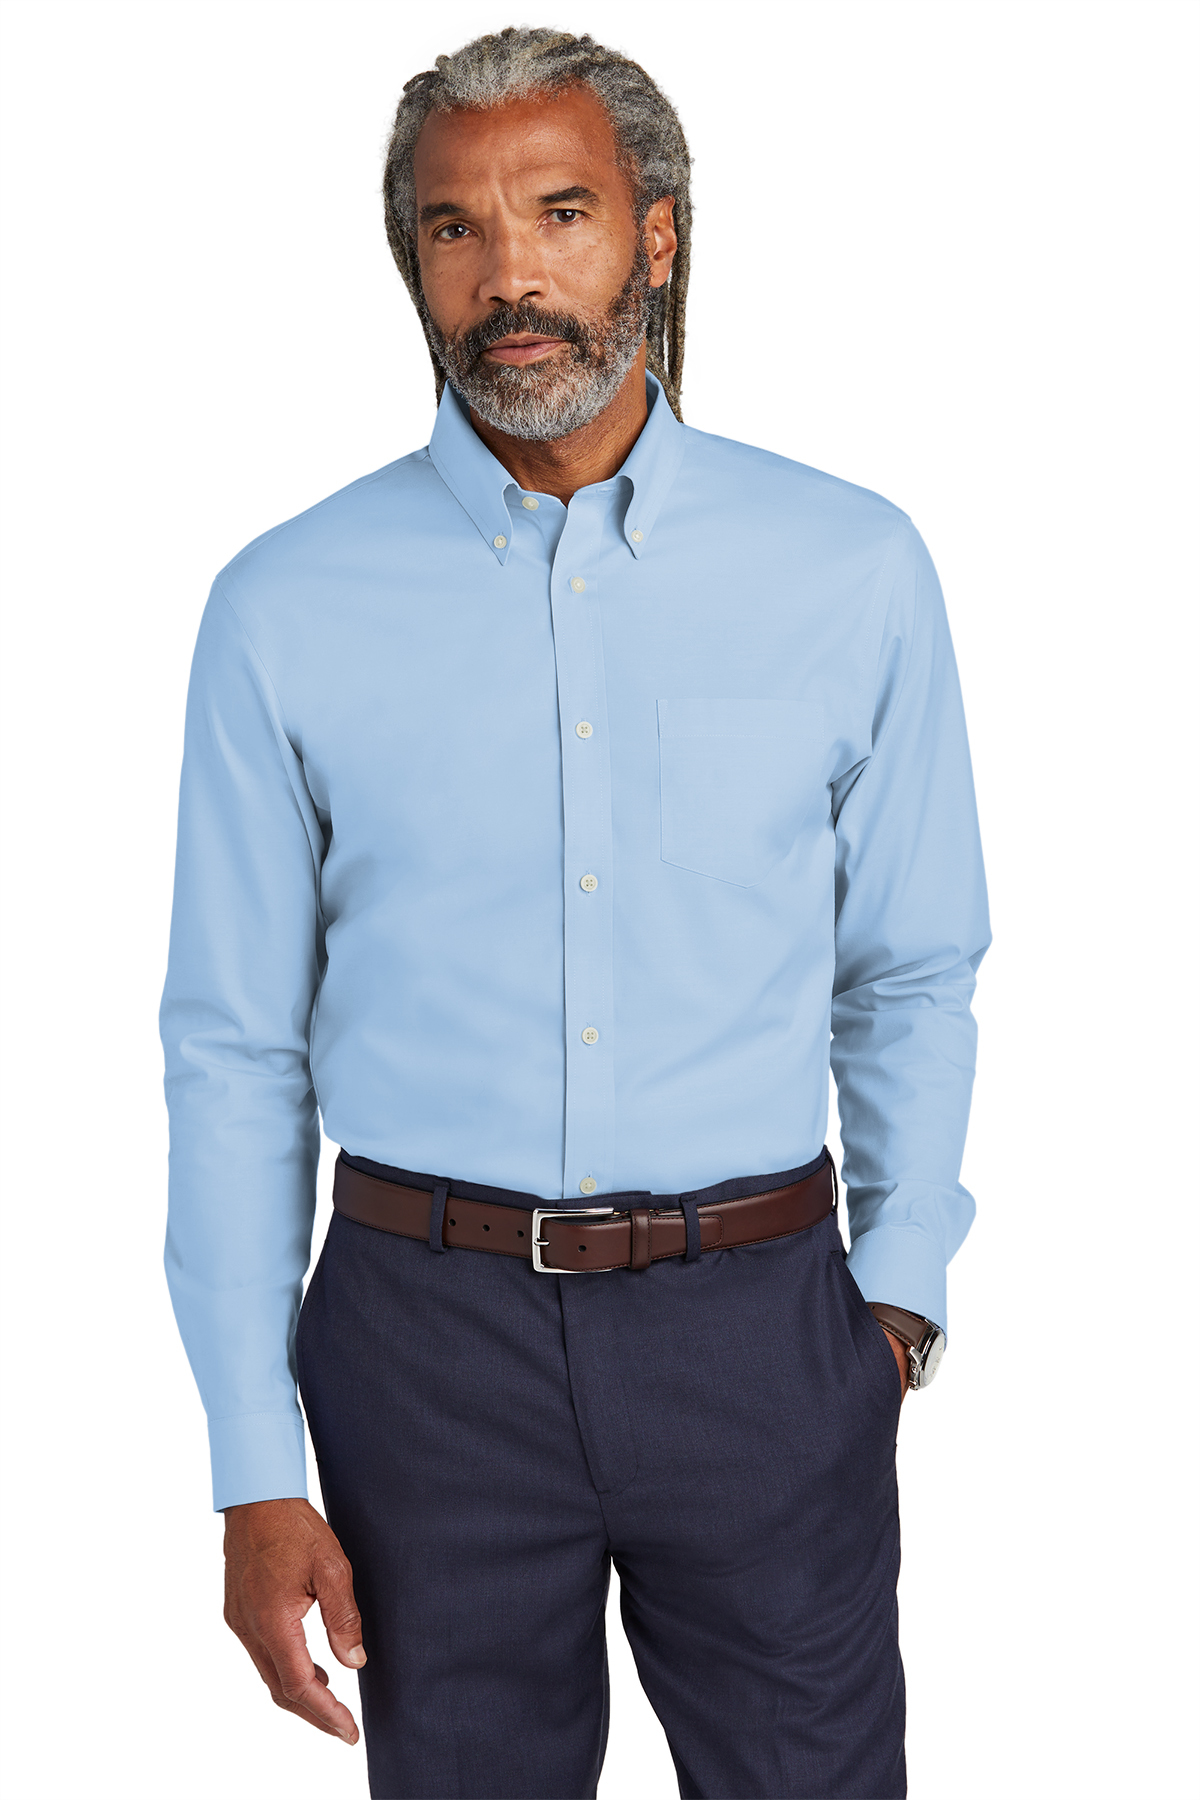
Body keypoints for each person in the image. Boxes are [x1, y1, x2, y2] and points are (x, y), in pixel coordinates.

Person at [160, 25, 989, 1800]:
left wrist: (898, 1304)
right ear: (412, 261)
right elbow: (232, 1050)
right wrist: (252, 1464)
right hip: (422, 1347)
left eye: (560, 212)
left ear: (655, 236)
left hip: (764, 1331)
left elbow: (912, 972)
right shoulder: (283, 606)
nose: (509, 276)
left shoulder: (851, 568)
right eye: (455, 227)